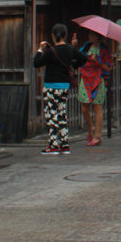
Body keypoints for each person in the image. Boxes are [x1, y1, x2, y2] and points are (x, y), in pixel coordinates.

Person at [32, 24, 89, 155]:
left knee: (52, 115)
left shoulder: (50, 51)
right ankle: (64, 144)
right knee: (62, 113)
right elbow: (84, 58)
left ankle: (53, 145)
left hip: (51, 86)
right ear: (65, 35)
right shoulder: (69, 49)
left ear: (53, 36)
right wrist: (73, 65)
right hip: (64, 86)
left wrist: (40, 49)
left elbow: (37, 63)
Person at [76, 31, 114, 147]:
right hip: (85, 79)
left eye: (92, 35)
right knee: (84, 107)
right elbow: (78, 59)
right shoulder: (86, 47)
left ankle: (97, 135)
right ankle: (90, 128)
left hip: (97, 80)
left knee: (97, 107)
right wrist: (74, 46)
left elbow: (107, 67)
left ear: (98, 37)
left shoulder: (104, 50)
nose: (89, 36)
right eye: (90, 34)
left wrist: (97, 61)